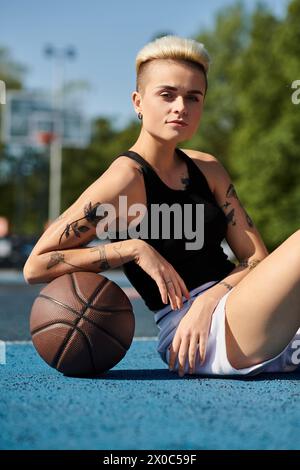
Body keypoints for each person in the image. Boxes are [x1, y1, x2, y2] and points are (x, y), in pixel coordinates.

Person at [23, 35, 300, 378]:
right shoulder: (123, 179)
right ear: (138, 102)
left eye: (192, 97)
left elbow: (257, 258)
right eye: (167, 95)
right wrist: (133, 248)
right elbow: (35, 266)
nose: (180, 106)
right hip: (193, 333)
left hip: (238, 306)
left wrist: (208, 300)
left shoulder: (209, 169)